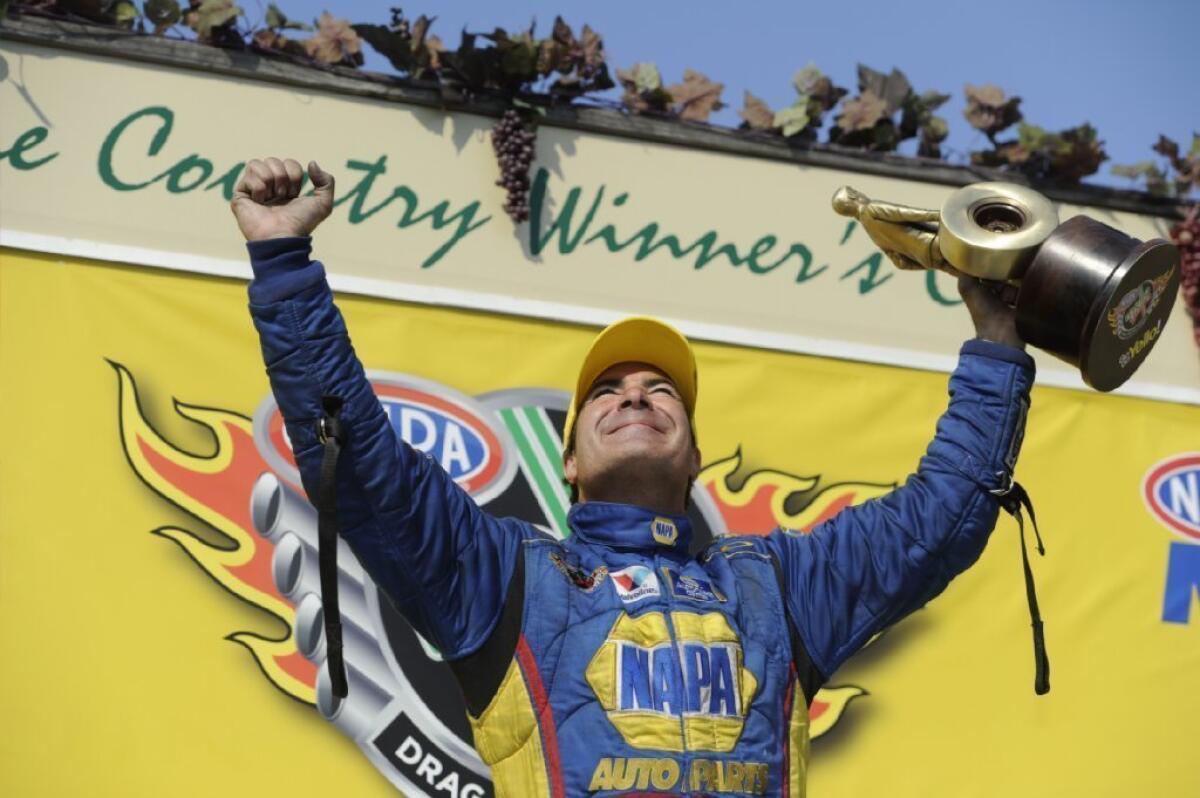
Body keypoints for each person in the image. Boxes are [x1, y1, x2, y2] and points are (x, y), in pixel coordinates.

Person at [233, 157, 1036, 797]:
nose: (636, 395)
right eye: (608, 392)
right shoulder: (506, 577)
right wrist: (282, 262)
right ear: (571, 463)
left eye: (661, 391)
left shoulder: (778, 586)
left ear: (692, 458)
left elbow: (944, 511)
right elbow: (362, 460)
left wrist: (998, 333)